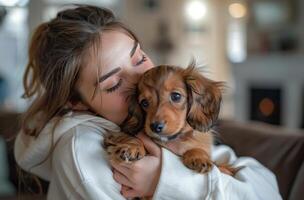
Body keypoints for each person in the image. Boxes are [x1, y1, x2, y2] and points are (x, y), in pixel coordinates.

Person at [14, 5, 282, 200]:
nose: (144, 80)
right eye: (113, 84)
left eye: (139, 59)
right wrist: (178, 181)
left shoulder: (165, 128)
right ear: (77, 102)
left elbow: (267, 188)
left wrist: (170, 179)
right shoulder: (83, 148)